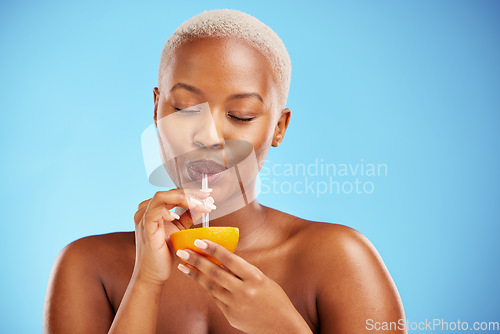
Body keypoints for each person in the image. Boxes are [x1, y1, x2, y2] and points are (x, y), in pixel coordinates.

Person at [43, 9, 406, 334]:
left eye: (241, 115)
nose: (209, 136)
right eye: (185, 109)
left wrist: (284, 328)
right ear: (156, 109)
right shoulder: (88, 267)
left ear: (279, 128)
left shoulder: (340, 261)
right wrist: (146, 284)